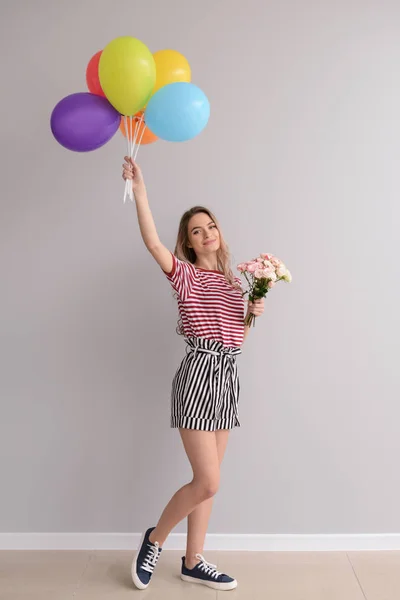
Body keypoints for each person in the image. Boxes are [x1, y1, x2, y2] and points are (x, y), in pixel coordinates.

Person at [122, 156, 264, 591]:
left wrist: (253, 311)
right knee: (207, 479)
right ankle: (155, 540)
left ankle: (193, 561)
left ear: (218, 233)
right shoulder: (184, 275)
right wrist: (140, 189)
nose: (205, 233)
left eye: (210, 226)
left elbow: (235, 339)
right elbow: (151, 242)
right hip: (199, 375)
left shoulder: (235, 283)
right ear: (187, 241)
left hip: (228, 378)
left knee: (209, 486)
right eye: (195, 230)